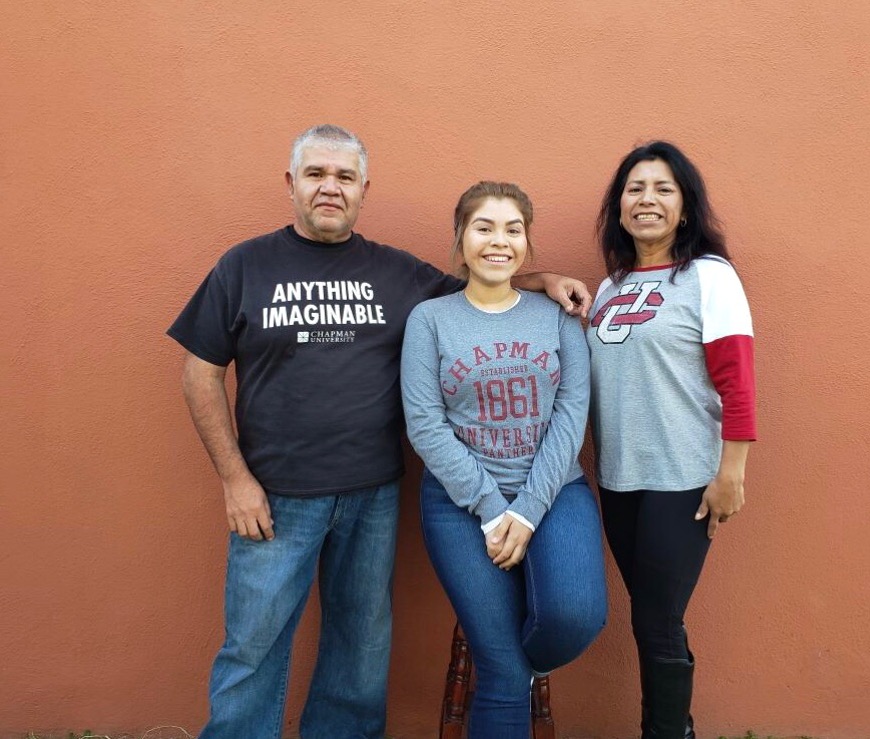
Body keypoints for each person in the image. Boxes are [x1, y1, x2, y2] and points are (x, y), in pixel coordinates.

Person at [166, 125, 591, 739]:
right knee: (252, 651)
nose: (330, 188)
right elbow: (199, 376)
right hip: (276, 496)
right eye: (316, 175)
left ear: (364, 188)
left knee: (359, 654)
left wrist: (543, 280)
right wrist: (234, 479)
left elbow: (483, 283)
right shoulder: (244, 266)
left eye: (344, 177)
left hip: (372, 496)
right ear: (292, 184)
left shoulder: (394, 273)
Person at [400, 181, 607, 739]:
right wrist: (492, 509)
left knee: (576, 617)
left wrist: (530, 508)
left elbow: (572, 412)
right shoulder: (430, 320)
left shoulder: (558, 315)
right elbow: (425, 423)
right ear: (460, 238)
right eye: (484, 227)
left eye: (513, 229)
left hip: (554, 491)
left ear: (527, 243)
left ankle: (525, 668)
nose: (499, 241)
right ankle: (512, 673)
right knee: (499, 672)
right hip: (459, 505)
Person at [587, 141, 757, 739]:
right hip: (619, 479)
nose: (647, 200)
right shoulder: (609, 288)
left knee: (657, 622)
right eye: (635, 189)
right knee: (651, 619)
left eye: (663, 189)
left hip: (683, 478)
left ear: (685, 208)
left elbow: (738, 381)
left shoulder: (709, 278)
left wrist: (730, 474)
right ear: (619, 207)